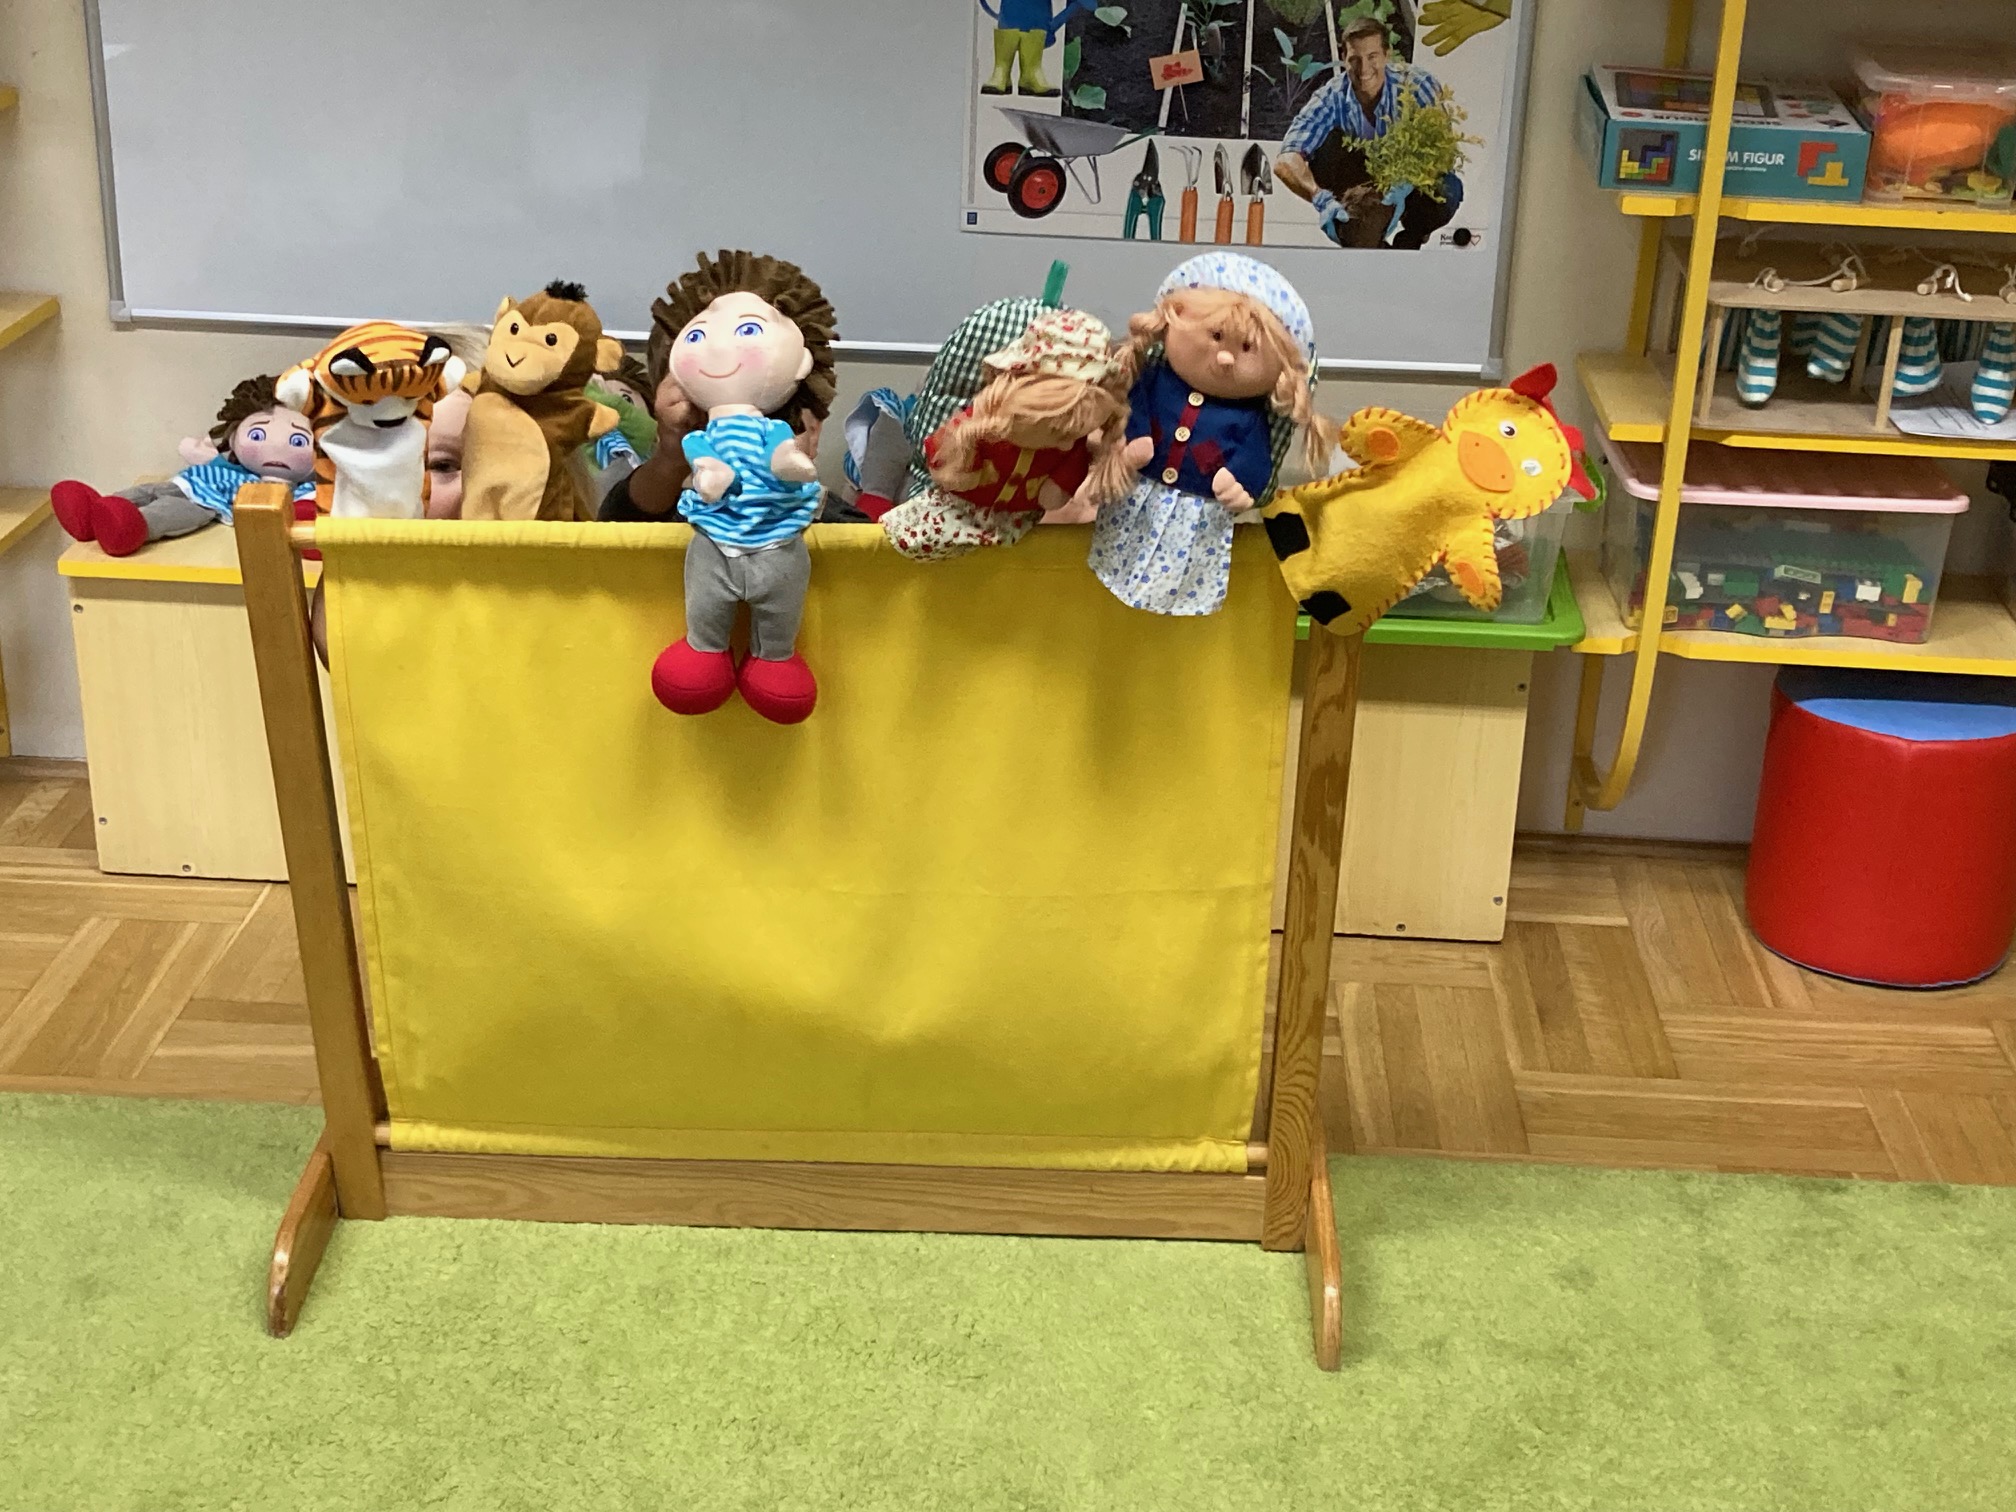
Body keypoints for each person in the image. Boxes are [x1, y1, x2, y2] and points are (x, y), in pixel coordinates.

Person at [1274, 16, 1464, 250]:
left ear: (1386, 55)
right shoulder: (1332, 96)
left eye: (1372, 57)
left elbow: (1443, 151)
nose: (1363, 69)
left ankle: (1412, 237)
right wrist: (1319, 198)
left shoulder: (1417, 85)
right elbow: (1286, 159)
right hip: (1360, 181)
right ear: (1344, 57)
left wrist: (1406, 185)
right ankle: (1359, 233)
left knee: (1447, 190)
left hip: (1409, 179)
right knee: (1326, 150)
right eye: (1355, 59)